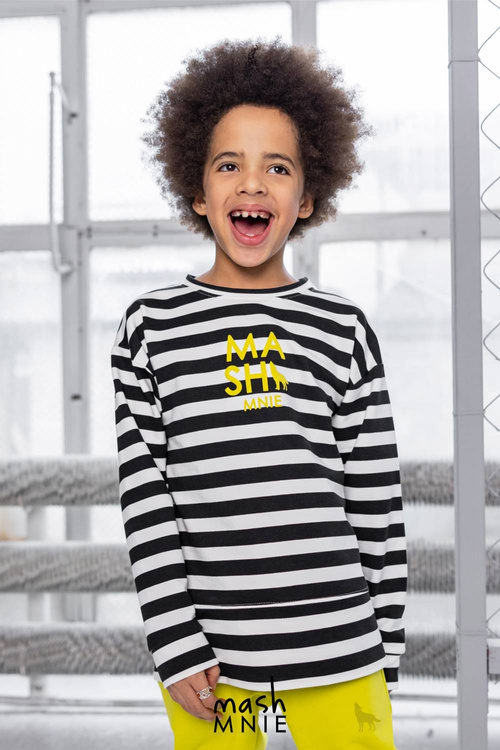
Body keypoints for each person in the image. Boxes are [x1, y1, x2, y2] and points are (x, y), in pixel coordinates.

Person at [111, 36, 407, 749]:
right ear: (197, 191)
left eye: (277, 167)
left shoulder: (343, 328)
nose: (252, 184)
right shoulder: (150, 328)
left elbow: (375, 499)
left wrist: (384, 651)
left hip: (341, 655)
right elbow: (147, 499)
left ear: (307, 197)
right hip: (215, 669)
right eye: (228, 165)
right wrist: (174, 641)